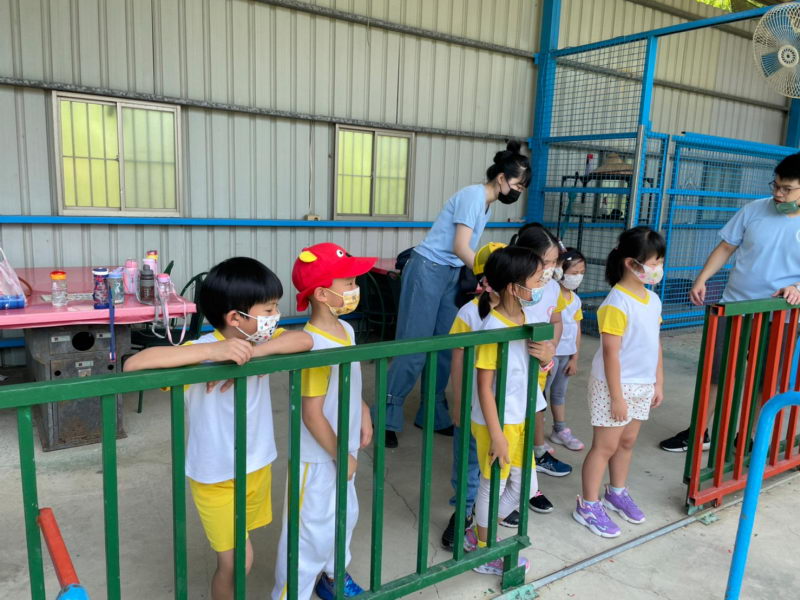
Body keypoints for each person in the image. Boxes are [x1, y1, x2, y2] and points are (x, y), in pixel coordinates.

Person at [124, 257, 313, 600]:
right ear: (235, 318)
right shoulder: (200, 353)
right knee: (237, 563)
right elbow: (134, 365)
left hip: (256, 466)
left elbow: (304, 341)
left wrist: (252, 354)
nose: (276, 315)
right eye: (269, 309)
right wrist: (214, 352)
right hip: (216, 477)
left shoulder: (259, 341)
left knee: (242, 547)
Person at [381, 140, 531, 448]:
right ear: (501, 178)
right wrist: (489, 275)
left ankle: (432, 413)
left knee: (446, 346)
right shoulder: (473, 196)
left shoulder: (486, 204)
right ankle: (386, 415)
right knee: (414, 346)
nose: (518, 191)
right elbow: (460, 246)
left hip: (452, 273)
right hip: (428, 269)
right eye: (517, 185)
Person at [659, 153, 800, 452]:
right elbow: (726, 247)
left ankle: (749, 437)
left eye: (787, 189)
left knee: (763, 381)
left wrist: (797, 287)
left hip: (779, 315)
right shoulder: (754, 209)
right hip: (734, 306)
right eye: (775, 185)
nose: (778, 193)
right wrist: (702, 278)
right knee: (715, 373)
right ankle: (699, 431)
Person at [272, 243, 375, 600]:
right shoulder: (313, 346)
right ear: (321, 294)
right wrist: (339, 455)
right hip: (318, 458)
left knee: (344, 516)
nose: (355, 289)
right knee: (307, 534)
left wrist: (363, 410)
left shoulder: (345, 330)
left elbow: (350, 381)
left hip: (343, 447)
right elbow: (312, 413)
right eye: (348, 283)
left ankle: (333, 576)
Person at [574, 227, 665, 538]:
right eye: (653, 262)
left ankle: (616, 492)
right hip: (614, 386)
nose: (658, 268)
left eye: (660, 261)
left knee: (626, 442)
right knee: (605, 446)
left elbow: (655, 343)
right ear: (631, 263)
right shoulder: (616, 302)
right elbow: (610, 353)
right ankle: (587, 505)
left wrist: (658, 382)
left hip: (642, 385)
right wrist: (616, 397)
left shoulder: (653, 300)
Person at [462, 245, 548, 575]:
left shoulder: (529, 318)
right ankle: (485, 551)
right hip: (496, 422)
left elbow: (537, 366)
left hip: (521, 415)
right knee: (493, 484)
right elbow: (484, 387)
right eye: (538, 279)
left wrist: (547, 356)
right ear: (514, 287)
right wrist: (497, 435)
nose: (543, 285)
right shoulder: (492, 329)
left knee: (525, 487)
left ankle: (478, 533)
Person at [440, 241, 503, 550]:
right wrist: (458, 401)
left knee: (499, 460)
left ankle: (491, 511)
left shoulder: (524, 313)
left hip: (507, 405)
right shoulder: (468, 312)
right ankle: (464, 511)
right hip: (475, 403)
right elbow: (458, 359)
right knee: (467, 461)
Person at [512, 224, 573, 486]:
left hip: (539, 364)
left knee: (536, 406)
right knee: (511, 416)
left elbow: (556, 320)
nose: (551, 268)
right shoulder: (513, 287)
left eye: (554, 262)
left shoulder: (553, 288)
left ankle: (536, 456)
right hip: (512, 366)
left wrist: (552, 348)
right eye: (545, 262)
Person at [545, 248, 586, 451]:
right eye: (574, 272)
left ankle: (559, 430)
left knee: (559, 394)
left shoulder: (576, 300)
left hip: (566, 356)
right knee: (541, 394)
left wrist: (574, 358)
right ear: (560, 271)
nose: (578, 277)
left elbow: (577, 329)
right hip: (549, 356)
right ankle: (534, 435)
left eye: (581, 272)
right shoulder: (549, 295)